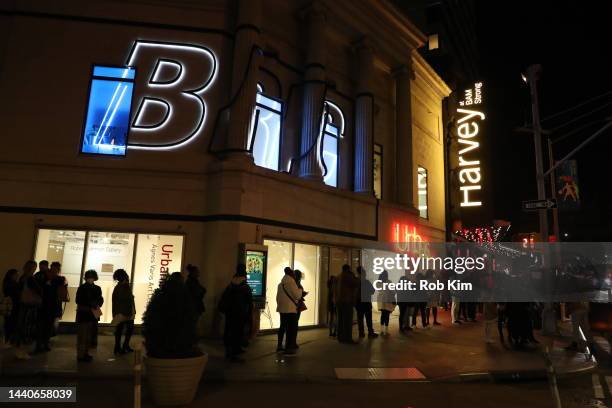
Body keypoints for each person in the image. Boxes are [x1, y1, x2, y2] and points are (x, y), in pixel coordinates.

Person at [218, 264, 253, 361]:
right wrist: (249, 313)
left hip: (230, 312)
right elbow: (249, 301)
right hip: (240, 312)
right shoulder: (245, 286)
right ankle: (234, 352)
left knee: (230, 330)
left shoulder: (231, 284)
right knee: (237, 332)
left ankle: (232, 350)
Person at [12, 261, 41, 359]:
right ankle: (23, 351)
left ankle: (18, 350)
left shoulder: (22, 278)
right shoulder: (30, 279)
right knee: (27, 328)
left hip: (22, 305)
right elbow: (39, 291)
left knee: (21, 326)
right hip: (29, 306)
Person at [34, 261, 63, 353]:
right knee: (41, 326)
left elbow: (61, 292)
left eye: (56, 269)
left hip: (52, 306)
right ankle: (39, 344)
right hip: (43, 306)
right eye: (52, 269)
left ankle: (45, 343)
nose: (53, 271)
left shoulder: (59, 279)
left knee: (48, 326)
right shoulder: (42, 277)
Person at [75, 269, 103, 362]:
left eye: (91, 277)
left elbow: (100, 299)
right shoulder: (87, 288)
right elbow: (78, 300)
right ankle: (82, 355)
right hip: (88, 314)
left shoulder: (84, 288)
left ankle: (84, 354)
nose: (90, 279)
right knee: (84, 336)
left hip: (88, 314)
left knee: (87, 336)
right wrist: (94, 303)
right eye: (89, 277)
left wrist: (95, 303)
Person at [275, 267, 303, 354]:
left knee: (282, 327)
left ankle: (279, 345)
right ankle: (288, 347)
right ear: (291, 274)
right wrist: (300, 290)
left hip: (282, 309)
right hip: (291, 309)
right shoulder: (292, 283)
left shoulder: (280, 284)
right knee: (291, 328)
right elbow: (297, 296)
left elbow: (277, 297)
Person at [112, 269, 135, 355]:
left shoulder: (121, 287)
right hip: (124, 311)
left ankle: (120, 347)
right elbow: (124, 300)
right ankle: (120, 347)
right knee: (125, 329)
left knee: (121, 329)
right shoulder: (123, 287)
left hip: (123, 311)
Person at [335, 264, 358, 344]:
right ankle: (348, 338)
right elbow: (356, 283)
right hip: (347, 301)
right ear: (348, 269)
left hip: (339, 302)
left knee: (340, 320)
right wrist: (353, 275)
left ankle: (340, 337)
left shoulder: (338, 277)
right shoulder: (348, 276)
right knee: (348, 321)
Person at [355, 266, 378, 338]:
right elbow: (372, 291)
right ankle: (370, 332)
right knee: (368, 319)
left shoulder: (356, 281)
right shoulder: (366, 282)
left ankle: (361, 333)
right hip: (366, 303)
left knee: (360, 319)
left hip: (358, 303)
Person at [2, 269, 20, 346]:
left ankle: (7, 339)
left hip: (9, 305)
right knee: (11, 322)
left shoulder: (6, 283)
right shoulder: (12, 284)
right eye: (16, 275)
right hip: (12, 305)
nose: (17, 276)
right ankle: (8, 339)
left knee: (8, 322)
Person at [377, 270, 395, 335]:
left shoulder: (378, 282)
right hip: (388, 300)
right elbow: (393, 291)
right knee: (387, 315)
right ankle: (386, 330)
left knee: (383, 315)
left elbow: (378, 289)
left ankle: (381, 330)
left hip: (381, 300)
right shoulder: (389, 282)